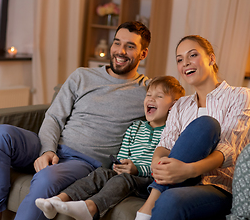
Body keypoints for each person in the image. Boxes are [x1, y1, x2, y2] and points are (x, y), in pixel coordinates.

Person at [0, 21, 152, 220]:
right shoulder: (82, 76)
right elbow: (53, 117)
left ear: (143, 54)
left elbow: (177, 100)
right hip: (52, 147)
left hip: (84, 162)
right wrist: (47, 150)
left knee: (46, 178)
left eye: (130, 46)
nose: (120, 51)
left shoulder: (147, 91)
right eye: (117, 43)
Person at [135, 35, 250, 220]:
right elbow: (165, 145)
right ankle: (155, 197)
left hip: (218, 187)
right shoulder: (179, 105)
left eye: (192, 55)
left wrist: (188, 170)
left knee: (206, 124)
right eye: (179, 59)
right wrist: (156, 164)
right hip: (177, 181)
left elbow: (229, 149)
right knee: (169, 193)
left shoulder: (239, 95)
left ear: (211, 58)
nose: (185, 63)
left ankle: (152, 201)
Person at [34, 76, 186, 220]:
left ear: (173, 106)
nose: (151, 99)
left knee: (124, 178)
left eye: (159, 96)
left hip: (148, 181)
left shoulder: (171, 134)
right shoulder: (135, 127)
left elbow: (164, 166)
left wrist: (136, 169)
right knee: (101, 173)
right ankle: (57, 200)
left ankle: (91, 208)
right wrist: (119, 165)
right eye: (148, 95)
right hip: (127, 173)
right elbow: (122, 155)